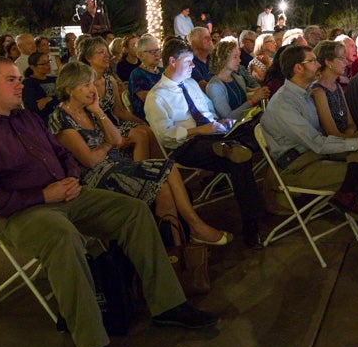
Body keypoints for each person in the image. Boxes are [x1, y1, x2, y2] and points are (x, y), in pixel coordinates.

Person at [0, 57, 218, 347]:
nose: (20, 85)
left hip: (66, 195)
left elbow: (61, 156)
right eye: (11, 79)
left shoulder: (27, 119)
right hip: (22, 212)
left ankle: (168, 304)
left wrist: (71, 179)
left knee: (133, 210)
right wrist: (42, 194)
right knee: (62, 237)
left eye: (19, 79)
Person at [260, 45, 358, 273]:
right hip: (299, 166)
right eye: (312, 61)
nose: (318, 64)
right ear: (297, 68)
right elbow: (318, 142)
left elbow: (327, 135)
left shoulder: (306, 91)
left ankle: (347, 189)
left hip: (315, 154)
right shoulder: (284, 104)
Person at [50, 62, 231, 246]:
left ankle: (175, 246)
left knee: (164, 186)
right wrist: (107, 145)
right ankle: (194, 227)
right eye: (86, 85)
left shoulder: (88, 110)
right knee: (167, 170)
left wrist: (98, 111)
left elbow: (118, 140)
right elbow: (90, 160)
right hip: (96, 178)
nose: (93, 89)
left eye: (92, 83)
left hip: (115, 164)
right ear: (69, 89)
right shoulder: (61, 119)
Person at [146, 38, 267, 246]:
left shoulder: (191, 84)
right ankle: (252, 222)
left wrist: (219, 123)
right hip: (186, 145)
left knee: (239, 156)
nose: (193, 66)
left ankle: (234, 149)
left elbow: (207, 111)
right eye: (189, 62)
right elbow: (166, 135)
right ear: (173, 62)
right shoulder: (157, 96)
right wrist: (202, 129)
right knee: (238, 157)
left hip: (212, 134)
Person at [205, 39, 268, 120]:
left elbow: (243, 94)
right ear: (223, 59)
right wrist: (254, 99)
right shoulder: (214, 86)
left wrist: (258, 91)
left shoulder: (237, 78)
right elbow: (228, 117)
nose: (239, 60)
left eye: (238, 56)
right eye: (235, 57)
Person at [127, 35, 164, 122]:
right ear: (140, 55)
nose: (157, 54)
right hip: (150, 117)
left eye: (158, 50)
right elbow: (148, 99)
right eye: (152, 52)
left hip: (167, 110)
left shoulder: (163, 71)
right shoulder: (137, 74)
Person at [22, 51, 58, 121]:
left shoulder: (54, 79)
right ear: (32, 67)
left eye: (48, 62)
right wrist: (56, 99)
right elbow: (36, 107)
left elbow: (65, 97)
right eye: (43, 63)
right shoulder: (28, 83)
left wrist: (50, 99)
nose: (48, 65)